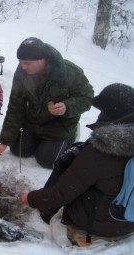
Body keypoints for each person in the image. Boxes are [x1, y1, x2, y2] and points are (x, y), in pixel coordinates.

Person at [19, 83, 134, 244]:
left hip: (97, 225)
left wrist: (31, 198)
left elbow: (60, 195)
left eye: (103, 112)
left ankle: (46, 213)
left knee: (70, 156)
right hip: (128, 223)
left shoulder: (98, 153)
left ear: (111, 116)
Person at [0, 37, 94, 169]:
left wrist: (67, 107)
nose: (23, 66)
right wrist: (4, 141)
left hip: (59, 126)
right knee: (18, 150)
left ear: (42, 60)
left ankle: (70, 137)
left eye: (27, 63)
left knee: (47, 161)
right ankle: (40, 142)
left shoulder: (69, 72)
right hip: (34, 122)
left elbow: (88, 97)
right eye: (20, 62)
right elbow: (16, 108)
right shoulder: (22, 72)